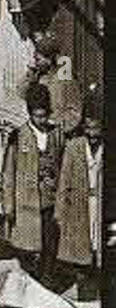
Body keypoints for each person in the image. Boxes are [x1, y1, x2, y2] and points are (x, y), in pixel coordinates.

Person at [2, 83, 65, 285]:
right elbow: (8, 174)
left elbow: (61, 164)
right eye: (37, 116)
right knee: (26, 246)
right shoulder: (18, 137)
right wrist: (8, 205)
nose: (42, 120)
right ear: (30, 114)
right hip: (25, 202)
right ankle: (28, 280)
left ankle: (47, 279)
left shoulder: (56, 134)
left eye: (44, 116)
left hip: (49, 199)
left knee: (49, 242)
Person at [55, 93, 103, 297]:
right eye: (88, 128)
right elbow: (64, 182)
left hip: (99, 206)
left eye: (96, 129)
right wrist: (59, 213)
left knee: (98, 249)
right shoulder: (73, 148)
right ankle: (83, 290)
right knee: (81, 255)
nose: (92, 134)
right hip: (78, 208)